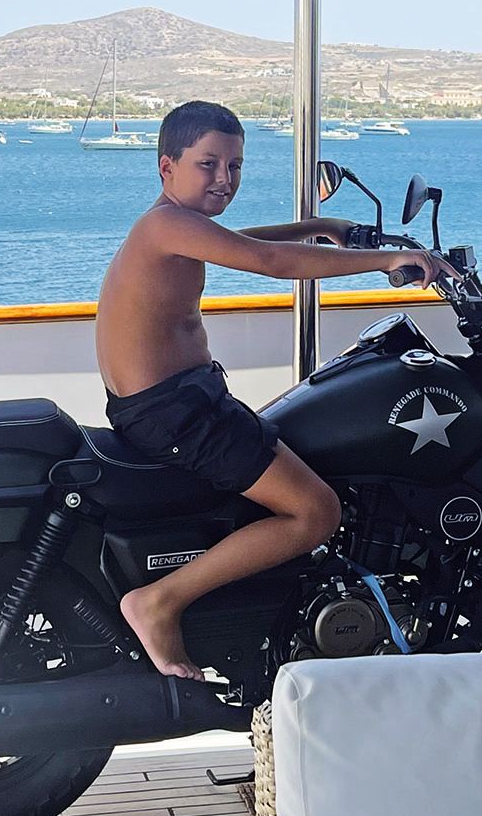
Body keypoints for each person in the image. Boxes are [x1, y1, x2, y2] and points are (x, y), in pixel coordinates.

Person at [96, 100, 456, 681]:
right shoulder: (164, 226)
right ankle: (158, 601)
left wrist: (323, 228)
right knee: (316, 511)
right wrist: (384, 259)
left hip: (179, 404)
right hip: (178, 414)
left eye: (235, 167)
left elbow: (242, 240)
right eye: (208, 165)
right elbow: (264, 260)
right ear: (167, 167)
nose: (224, 180)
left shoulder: (176, 226)